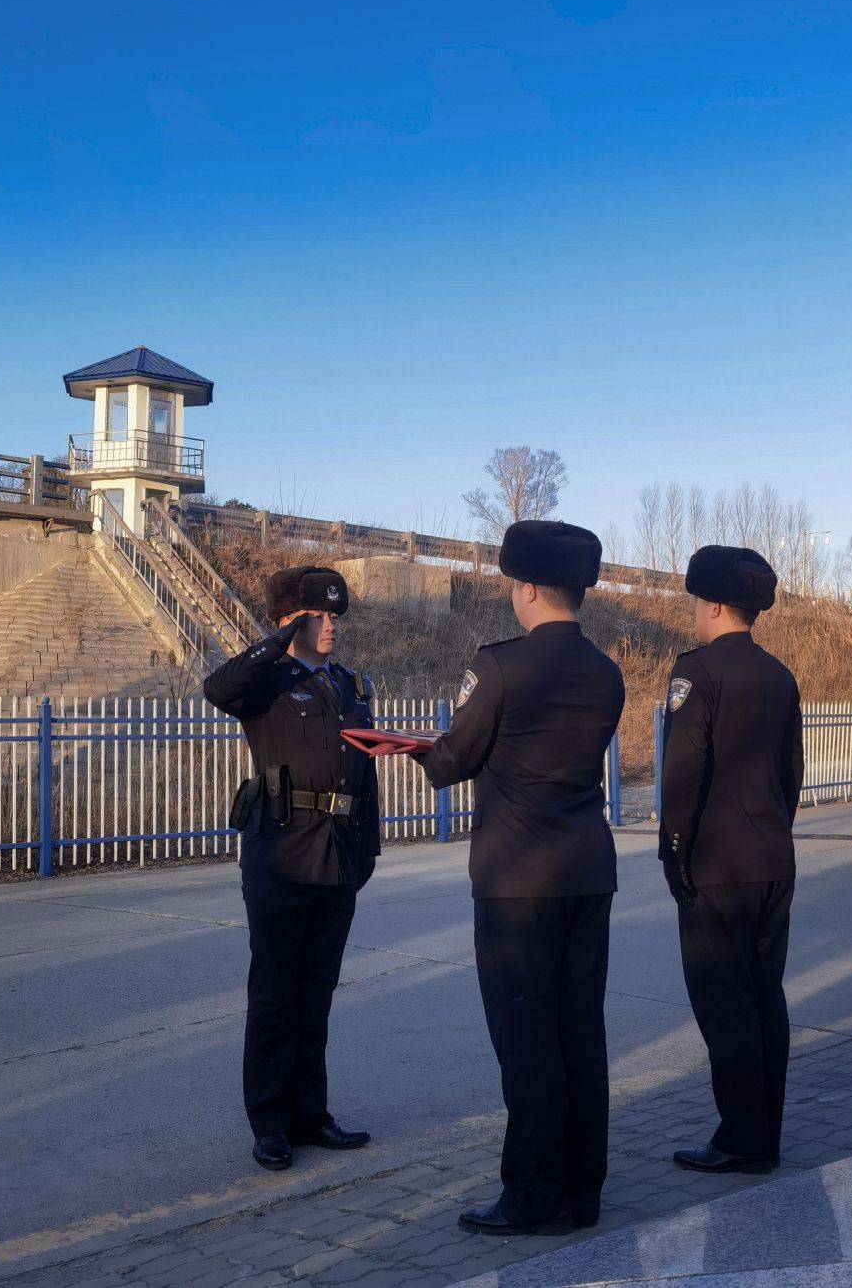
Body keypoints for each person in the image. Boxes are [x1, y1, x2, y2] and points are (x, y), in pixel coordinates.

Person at [417, 520, 625, 1236]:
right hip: (587, 870)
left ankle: (534, 1196)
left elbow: (453, 760)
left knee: (528, 1040)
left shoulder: (499, 665)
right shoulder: (606, 670)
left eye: (513, 583)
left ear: (528, 588)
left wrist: (423, 749)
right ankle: (583, 1190)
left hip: (517, 880)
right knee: (580, 1033)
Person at [202, 565, 380, 1172]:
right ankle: (270, 1123)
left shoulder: (350, 685)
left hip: (338, 852)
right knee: (276, 995)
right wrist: (277, 639)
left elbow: (366, 769)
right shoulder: (266, 682)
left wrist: (370, 848)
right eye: (319, 616)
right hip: (280, 852)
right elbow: (218, 689)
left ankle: (312, 1114)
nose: (332, 627)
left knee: (317, 993)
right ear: (292, 620)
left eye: (335, 616)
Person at [659, 544, 803, 1175]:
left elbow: (683, 773)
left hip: (717, 865)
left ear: (713, 603)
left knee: (724, 1002)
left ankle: (740, 1139)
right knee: (765, 995)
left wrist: (674, 851)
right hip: (773, 858)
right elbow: (791, 775)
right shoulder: (779, 675)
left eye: (697, 600)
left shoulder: (698, 672)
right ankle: (762, 1132)